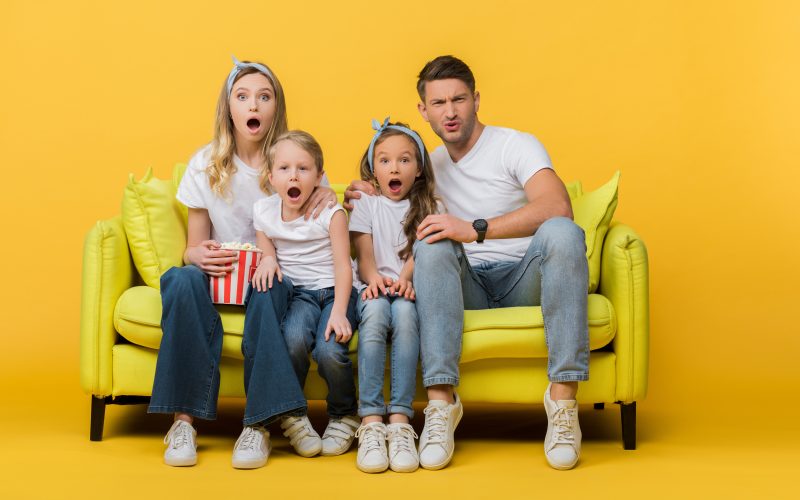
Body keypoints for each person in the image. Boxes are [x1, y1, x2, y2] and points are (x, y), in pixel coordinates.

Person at [346, 55, 589, 470]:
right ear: (424, 111)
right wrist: (356, 190)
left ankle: (563, 404)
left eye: (459, 99)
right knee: (433, 240)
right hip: (463, 285)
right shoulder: (427, 165)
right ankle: (441, 406)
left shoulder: (515, 144)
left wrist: (475, 229)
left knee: (564, 231)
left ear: (476, 99)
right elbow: (390, 182)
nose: (451, 111)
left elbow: (557, 204)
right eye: (438, 103)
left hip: (523, 276)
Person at [148, 57, 337, 469]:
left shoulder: (290, 160)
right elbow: (192, 247)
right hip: (220, 273)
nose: (254, 105)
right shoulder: (205, 164)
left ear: (276, 108)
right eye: (243, 97)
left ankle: (258, 425)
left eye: (264, 97)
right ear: (229, 108)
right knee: (180, 281)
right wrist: (196, 254)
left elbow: (326, 213)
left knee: (270, 285)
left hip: (271, 276)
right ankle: (183, 422)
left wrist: (335, 193)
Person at [251, 130, 360, 459]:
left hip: (335, 292)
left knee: (329, 350)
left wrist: (340, 311)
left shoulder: (331, 213)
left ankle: (344, 414)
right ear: (271, 178)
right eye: (284, 169)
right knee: (293, 339)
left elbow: (344, 267)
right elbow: (264, 245)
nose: (293, 175)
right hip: (298, 295)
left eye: (303, 168)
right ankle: (292, 410)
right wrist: (267, 257)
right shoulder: (264, 211)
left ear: (319, 176)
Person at [349, 119, 437, 473]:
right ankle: (370, 420)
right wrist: (375, 280)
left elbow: (423, 253)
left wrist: (404, 280)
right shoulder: (366, 205)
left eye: (404, 160)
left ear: (418, 170)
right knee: (374, 317)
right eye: (384, 161)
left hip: (408, 288)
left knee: (404, 316)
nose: (394, 168)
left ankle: (400, 421)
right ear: (373, 170)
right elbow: (364, 257)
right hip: (371, 286)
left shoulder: (432, 206)